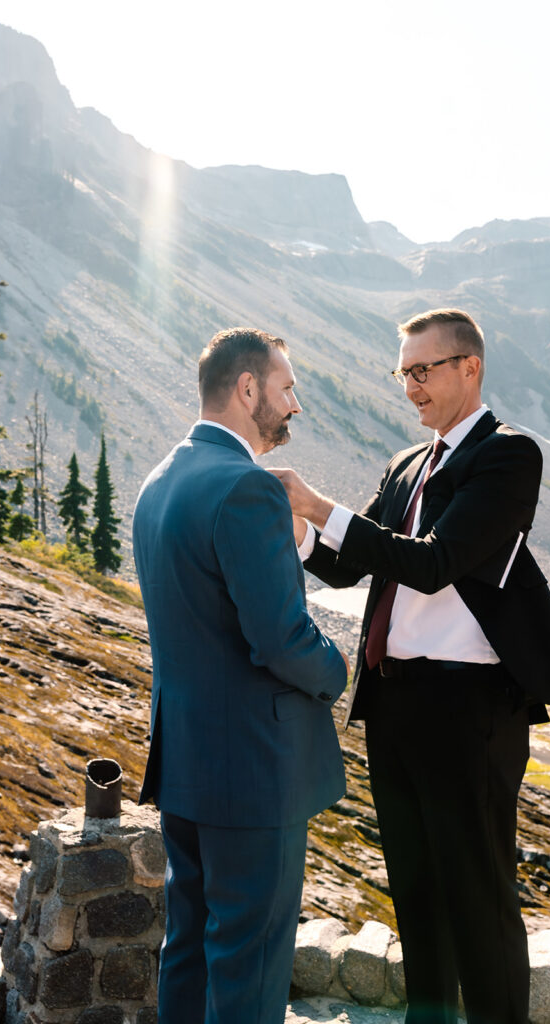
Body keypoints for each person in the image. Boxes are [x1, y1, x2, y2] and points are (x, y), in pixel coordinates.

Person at [271, 308, 550, 1024]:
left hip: (470, 705)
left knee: (477, 888)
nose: (409, 387)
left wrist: (318, 502)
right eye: (402, 372)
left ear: (468, 368)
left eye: (422, 370)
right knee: (414, 883)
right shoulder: (407, 464)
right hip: (393, 700)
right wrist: (300, 531)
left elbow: (435, 565)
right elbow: (354, 568)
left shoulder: (508, 454)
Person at [133, 327, 348, 1024]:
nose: (295, 405)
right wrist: (337, 668)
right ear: (247, 387)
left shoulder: (159, 481)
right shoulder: (246, 490)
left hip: (187, 766)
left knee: (189, 948)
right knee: (250, 967)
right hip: (254, 775)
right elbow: (282, 641)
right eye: (286, 388)